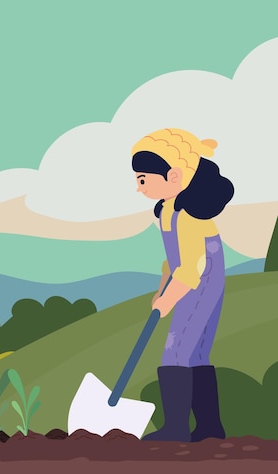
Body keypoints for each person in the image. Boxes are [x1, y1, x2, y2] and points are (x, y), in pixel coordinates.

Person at [131, 128, 234, 442]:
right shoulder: (167, 210)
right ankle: (209, 429)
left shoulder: (189, 217)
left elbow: (192, 268)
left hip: (201, 281)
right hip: (191, 278)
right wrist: (163, 286)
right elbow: (173, 261)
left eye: (143, 179)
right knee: (197, 355)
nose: (139, 187)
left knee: (177, 352)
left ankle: (175, 428)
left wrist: (169, 299)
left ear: (173, 176)